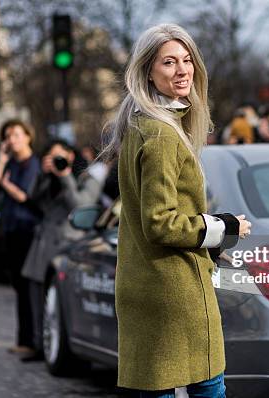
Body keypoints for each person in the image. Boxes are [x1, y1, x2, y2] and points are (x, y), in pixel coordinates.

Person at [98, 24, 252, 397]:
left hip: (144, 282)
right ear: (148, 70)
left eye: (187, 61)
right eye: (169, 62)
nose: (183, 70)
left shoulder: (139, 125)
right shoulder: (163, 134)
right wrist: (224, 227)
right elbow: (159, 223)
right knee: (209, 386)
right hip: (175, 288)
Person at [20, 140, 106, 362]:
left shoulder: (88, 177)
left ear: (71, 155)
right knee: (37, 298)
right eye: (52, 156)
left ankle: (60, 349)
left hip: (68, 246)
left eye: (61, 155)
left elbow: (80, 205)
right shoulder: (48, 178)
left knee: (60, 300)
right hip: (43, 244)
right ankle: (40, 345)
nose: (57, 160)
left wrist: (64, 175)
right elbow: (33, 200)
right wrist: (43, 174)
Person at [0, 119, 40, 355]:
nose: (12, 140)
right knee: (18, 286)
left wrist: (6, 184)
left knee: (26, 285)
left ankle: (31, 340)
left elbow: (24, 196)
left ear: (28, 136)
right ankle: (24, 339)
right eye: (9, 136)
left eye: (17, 135)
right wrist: (1, 161)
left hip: (28, 230)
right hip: (11, 230)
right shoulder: (10, 163)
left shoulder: (33, 164)